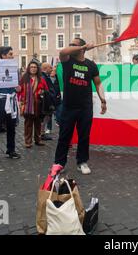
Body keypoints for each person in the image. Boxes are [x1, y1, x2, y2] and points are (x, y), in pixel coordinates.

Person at [53, 38, 107, 175]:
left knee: (84, 136)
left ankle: (82, 162)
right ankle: (59, 163)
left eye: (73, 45)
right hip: (69, 106)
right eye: (70, 44)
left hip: (85, 107)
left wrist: (103, 100)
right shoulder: (67, 60)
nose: (70, 47)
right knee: (64, 136)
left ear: (81, 49)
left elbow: (98, 83)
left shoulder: (91, 65)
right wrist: (82, 46)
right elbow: (63, 51)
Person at [0, 46, 21, 163]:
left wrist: (18, 88)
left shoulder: (14, 68)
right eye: (10, 54)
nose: (12, 56)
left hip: (11, 100)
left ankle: (10, 150)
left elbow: (17, 84)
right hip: (0, 100)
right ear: (3, 55)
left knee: (11, 128)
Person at [19, 61, 49, 148]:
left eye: (35, 67)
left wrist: (42, 91)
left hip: (38, 104)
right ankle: (28, 141)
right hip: (27, 104)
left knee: (38, 123)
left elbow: (46, 90)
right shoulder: (24, 79)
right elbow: (19, 91)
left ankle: (38, 139)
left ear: (37, 69)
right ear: (28, 68)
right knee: (28, 123)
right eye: (31, 67)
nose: (33, 68)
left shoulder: (41, 79)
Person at [40, 63, 58, 141]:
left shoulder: (45, 76)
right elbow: (46, 90)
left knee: (46, 118)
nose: (51, 69)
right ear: (45, 68)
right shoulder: (43, 77)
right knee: (44, 118)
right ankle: (41, 134)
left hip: (48, 100)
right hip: (46, 101)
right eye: (50, 67)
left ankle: (42, 133)